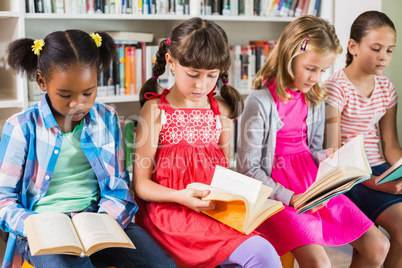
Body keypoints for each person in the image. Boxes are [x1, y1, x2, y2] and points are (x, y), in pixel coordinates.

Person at [0, 29, 177, 268]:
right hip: (44, 226)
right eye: (65, 95)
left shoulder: (107, 118)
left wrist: (104, 222)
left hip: (98, 218)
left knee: (162, 264)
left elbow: (117, 185)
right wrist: (32, 225)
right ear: (42, 81)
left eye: (88, 92)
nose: (78, 104)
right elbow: (4, 200)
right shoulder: (21, 127)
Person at [237, 15, 390, 268]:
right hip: (278, 195)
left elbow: (313, 149)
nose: (315, 78)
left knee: (379, 246)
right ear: (290, 57)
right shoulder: (259, 101)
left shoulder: (315, 98)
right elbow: (248, 169)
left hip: (313, 187)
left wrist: (327, 157)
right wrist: (290, 197)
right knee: (320, 263)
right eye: (310, 68)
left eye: (322, 70)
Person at [132, 17, 282, 268]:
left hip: (214, 212)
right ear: (171, 62)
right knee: (258, 252)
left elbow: (224, 173)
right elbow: (142, 185)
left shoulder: (221, 111)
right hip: (170, 215)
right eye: (193, 74)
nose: (201, 85)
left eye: (211, 76)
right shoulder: (155, 109)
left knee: (264, 253)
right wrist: (181, 197)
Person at [325, 10, 402, 268]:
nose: (384, 56)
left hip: (379, 171)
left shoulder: (386, 89)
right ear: (353, 47)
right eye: (376, 48)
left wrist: (399, 170)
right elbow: (333, 155)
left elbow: (390, 145)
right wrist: (378, 185)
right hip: (349, 175)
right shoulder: (336, 88)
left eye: (390, 50)